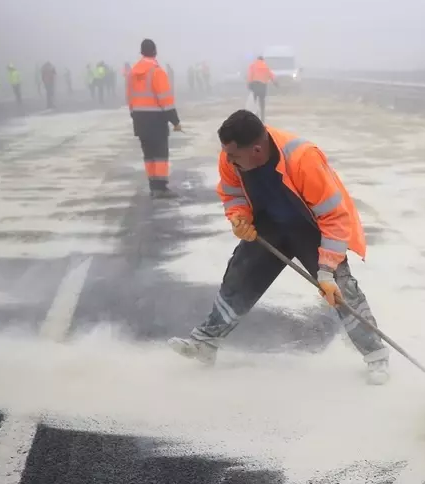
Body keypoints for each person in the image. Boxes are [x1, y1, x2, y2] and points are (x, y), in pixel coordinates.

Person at [167, 110, 390, 385]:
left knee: (341, 290)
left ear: (257, 150)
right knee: (240, 275)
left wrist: (327, 271)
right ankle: (205, 342)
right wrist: (239, 218)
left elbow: (335, 216)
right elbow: (232, 193)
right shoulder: (231, 158)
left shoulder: (303, 158)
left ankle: (376, 355)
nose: (228, 160)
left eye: (235, 156)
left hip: (313, 228)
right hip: (270, 225)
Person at [126, 38, 180, 198]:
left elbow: (130, 97)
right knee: (160, 154)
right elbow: (165, 98)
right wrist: (175, 120)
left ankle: (153, 186)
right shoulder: (157, 72)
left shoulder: (132, 73)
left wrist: (134, 114)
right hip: (156, 119)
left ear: (141, 52)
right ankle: (162, 188)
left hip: (139, 118)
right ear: (155, 51)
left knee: (148, 154)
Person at [246, 55, 275, 119]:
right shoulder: (265, 66)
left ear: (257, 59)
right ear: (262, 60)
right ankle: (262, 115)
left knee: (255, 101)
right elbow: (271, 75)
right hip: (263, 86)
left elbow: (250, 75)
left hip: (255, 85)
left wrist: (249, 84)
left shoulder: (253, 65)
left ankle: (255, 115)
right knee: (262, 101)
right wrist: (275, 83)